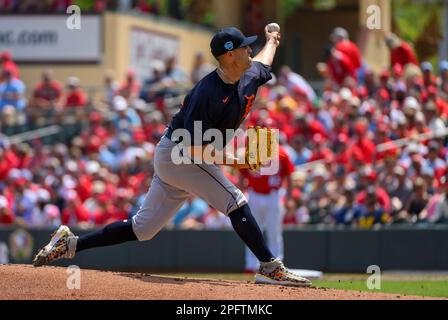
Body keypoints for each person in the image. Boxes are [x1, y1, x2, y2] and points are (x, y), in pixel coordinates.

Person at [32, 25, 312, 287]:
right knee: (235, 201)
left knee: (143, 229)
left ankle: (70, 243)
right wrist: (240, 161)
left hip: (179, 156)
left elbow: (264, 61)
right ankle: (268, 266)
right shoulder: (207, 93)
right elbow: (192, 150)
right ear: (229, 55)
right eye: (244, 47)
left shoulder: (248, 73)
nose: (250, 51)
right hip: (179, 154)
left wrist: (272, 39)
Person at [240, 145, 294, 273]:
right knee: (251, 231)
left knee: (274, 231)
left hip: (273, 195)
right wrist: (241, 191)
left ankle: (277, 264)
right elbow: (242, 174)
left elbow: (289, 175)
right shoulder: (251, 151)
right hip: (253, 194)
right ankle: (251, 265)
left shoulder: (281, 152)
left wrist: (289, 197)